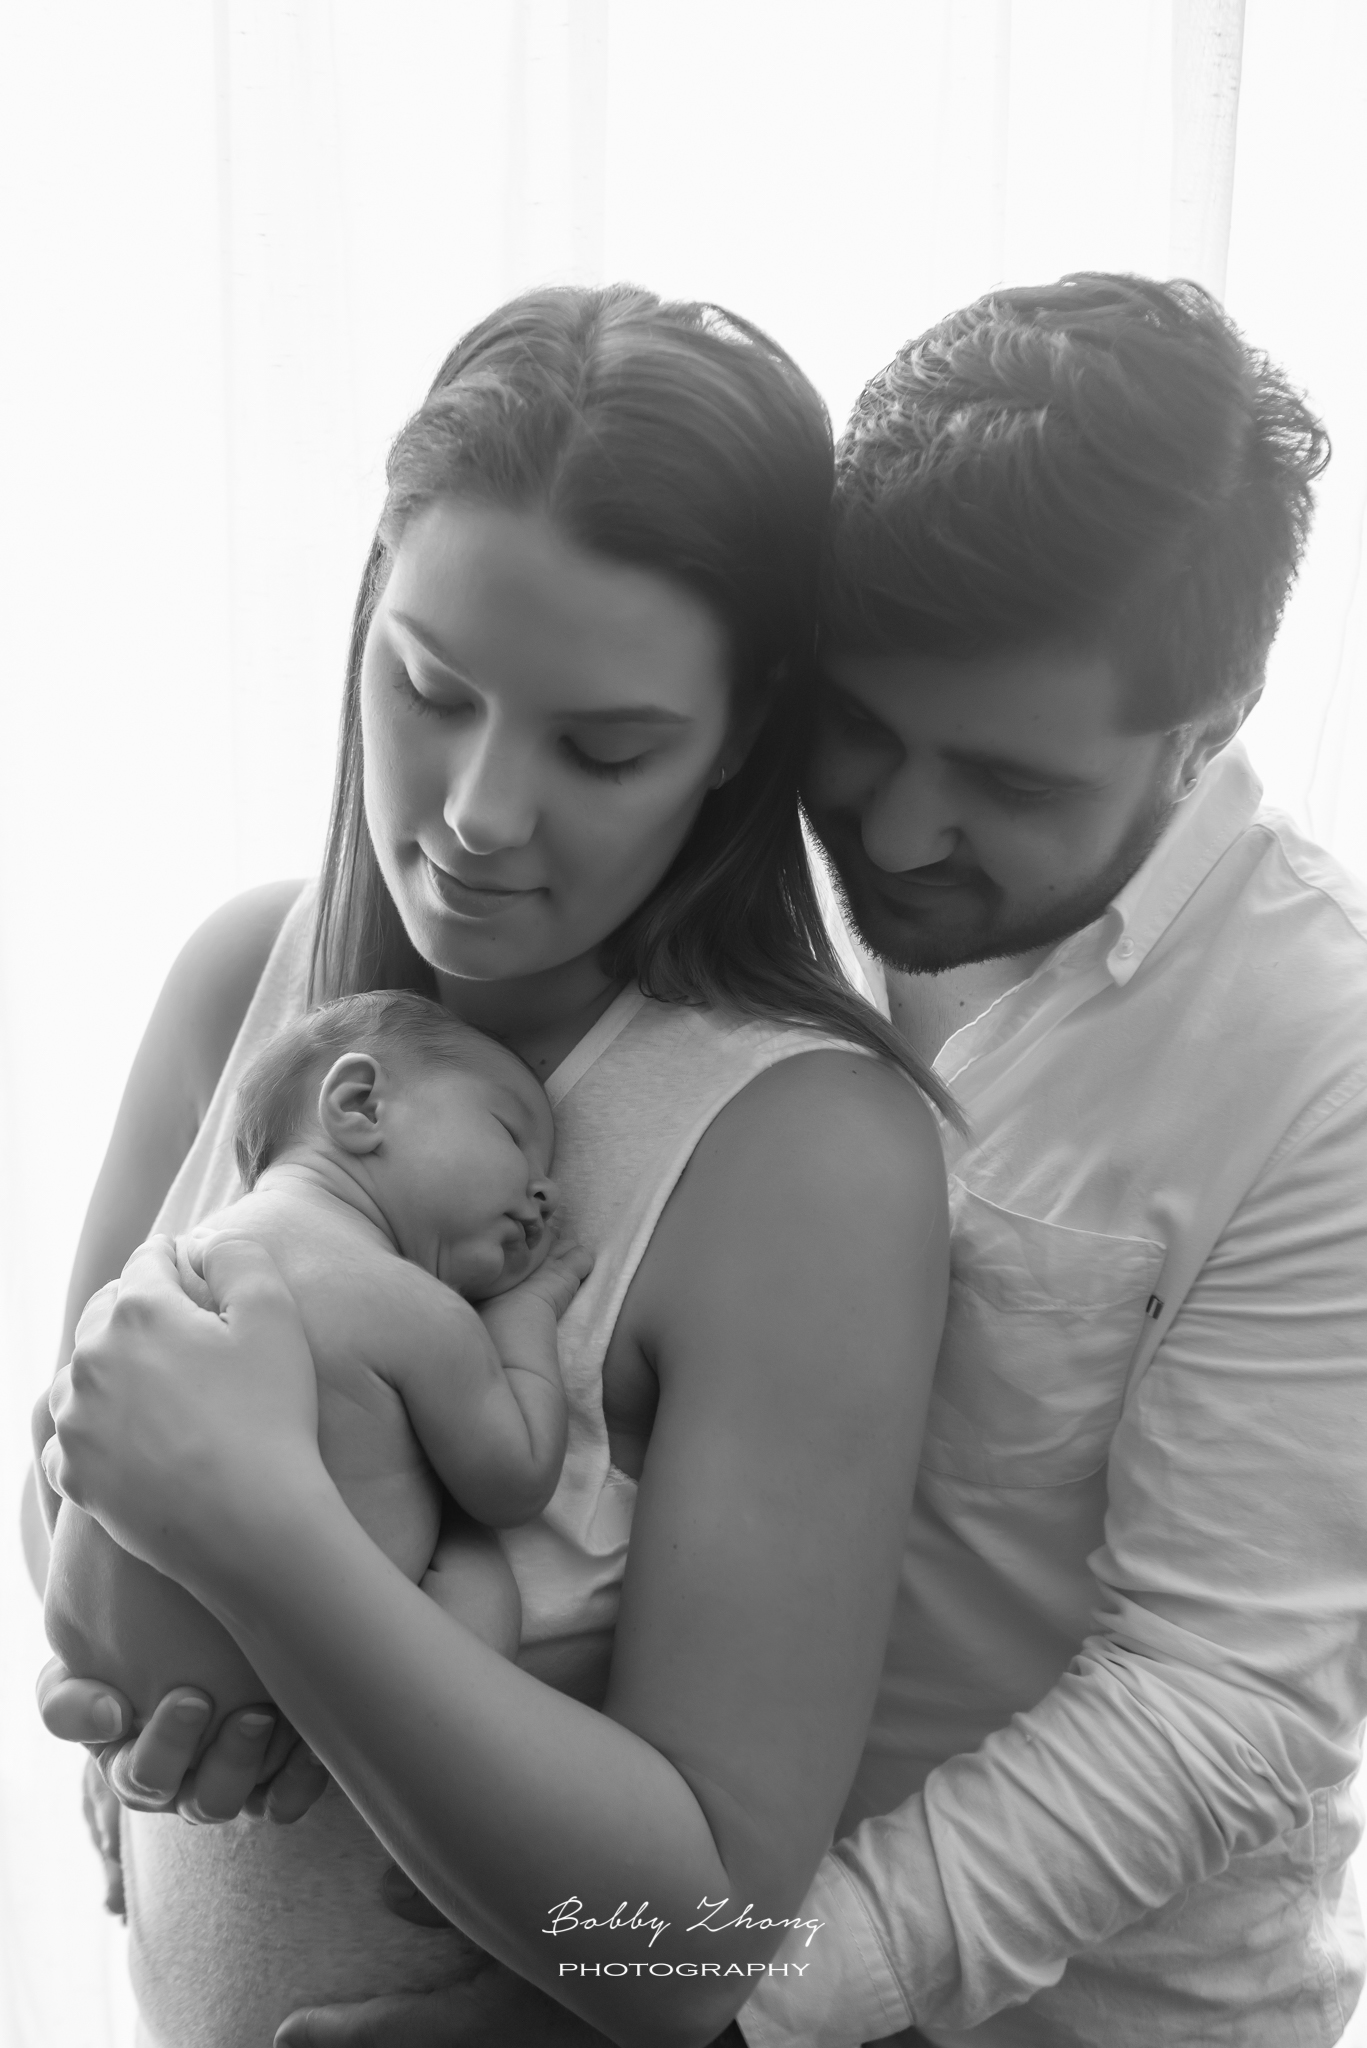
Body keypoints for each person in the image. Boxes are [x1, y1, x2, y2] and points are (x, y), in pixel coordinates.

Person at [123, 273, 1367, 2048]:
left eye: (1007, 784)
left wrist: (648, 1998)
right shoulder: (649, 890)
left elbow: (1221, 1696)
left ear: (1212, 720)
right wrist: (166, 1656)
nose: (895, 829)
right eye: (857, 731)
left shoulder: (1316, 1055)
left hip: (1064, 2014)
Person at [28, 285, 951, 2048]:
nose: (476, 813)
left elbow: (683, 1957)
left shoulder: (802, 1154)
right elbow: (80, 1452)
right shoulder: (249, 976)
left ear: (740, 734)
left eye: (603, 747)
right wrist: (151, 1670)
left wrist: (271, 1550)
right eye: (429, 688)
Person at [45, 991, 591, 1742]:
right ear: (360, 1104)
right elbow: (514, 1480)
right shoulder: (416, 1308)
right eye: (511, 1133)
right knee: (476, 1564)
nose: (546, 1189)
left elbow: (57, 1422)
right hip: (291, 1695)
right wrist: (524, 1314)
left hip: (96, 1673)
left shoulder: (169, 1265)